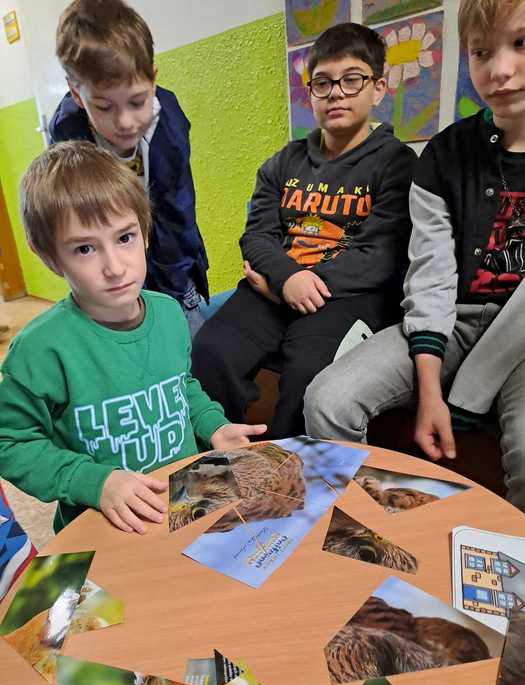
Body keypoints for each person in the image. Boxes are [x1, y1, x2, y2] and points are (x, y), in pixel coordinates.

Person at [305, 0, 525, 512]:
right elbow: (431, 275)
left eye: (521, 44)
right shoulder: (444, 154)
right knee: (327, 400)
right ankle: (360, 526)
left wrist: (467, 396)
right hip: (452, 320)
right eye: (481, 52)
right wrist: (430, 388)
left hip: (520, 336)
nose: (501, 69)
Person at [0, 142, 265, 535]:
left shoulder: (170, 314)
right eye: (85, 248)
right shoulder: (40, 350)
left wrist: (213, 426)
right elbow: (10, 443)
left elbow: (180, 387)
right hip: (106, 524)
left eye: (124, 238)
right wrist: (95, 482)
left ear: (144, 233)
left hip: (187, 501)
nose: (114, 267)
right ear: (50, 257)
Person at [191, 22, 417, 438]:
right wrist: (287, 279)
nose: (336, 93)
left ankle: (290, 470)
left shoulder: (398, 164)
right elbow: (256, 236)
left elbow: (381, 256)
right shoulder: (283, 162)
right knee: (210, 350)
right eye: (323, 83)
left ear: (379, 89)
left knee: (309, 377)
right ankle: (222, 456)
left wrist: (293, 286)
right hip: (276, 287)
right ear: (310, 92)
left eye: (352, 80)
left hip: (347, 298)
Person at [48, 0, 208, 337]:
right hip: (109, 271)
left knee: (188, 340)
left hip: (173, 262)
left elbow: (178, 213)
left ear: (152, 79)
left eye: (137, 102)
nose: (124, 122)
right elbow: (77, 221)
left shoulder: (170, 127)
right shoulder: (66, 131)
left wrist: (172, 291)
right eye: (104, 107)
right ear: (76, 94)